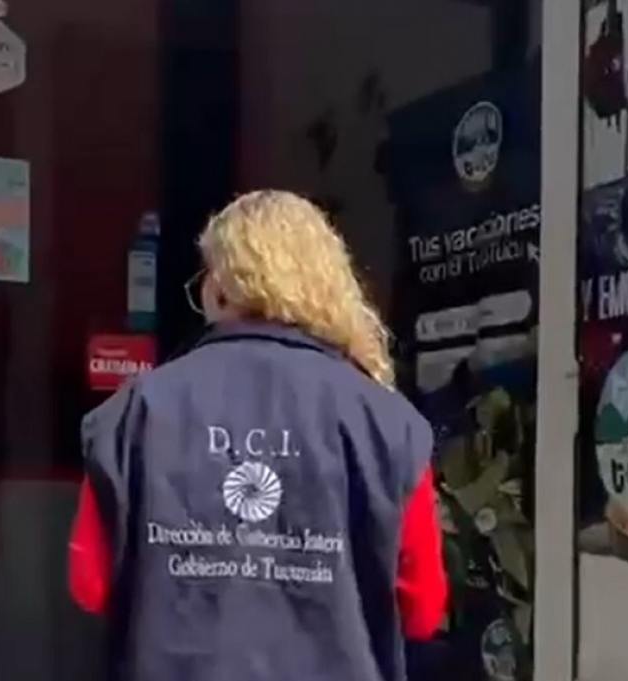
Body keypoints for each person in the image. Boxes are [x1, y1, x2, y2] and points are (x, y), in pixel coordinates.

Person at [67, 190, 446, 681]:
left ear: (221, 286)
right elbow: (422, 610)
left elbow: (90, 584)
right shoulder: (387, 424)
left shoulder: (137, 412)